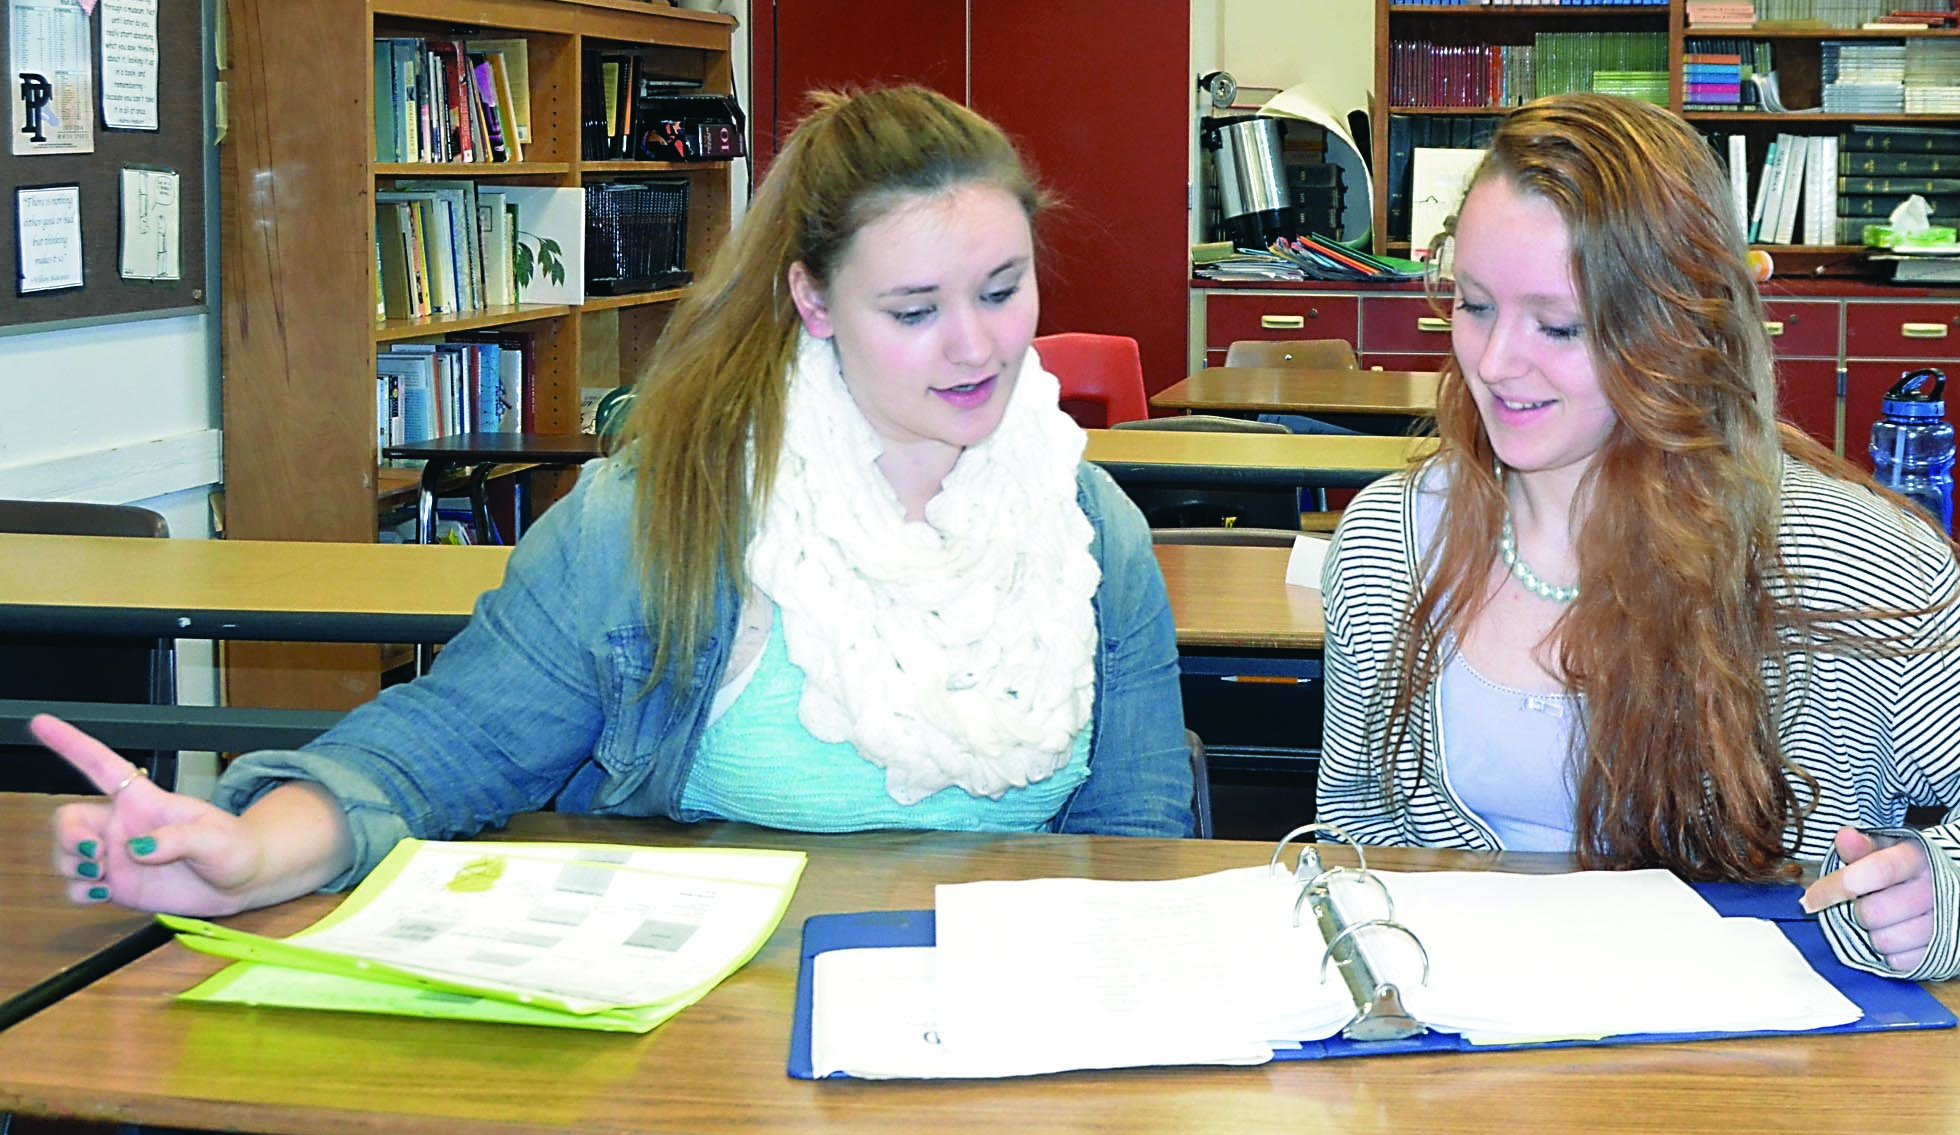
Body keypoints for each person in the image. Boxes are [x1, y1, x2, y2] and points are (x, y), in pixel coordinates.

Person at [39, 84, 1195, 924]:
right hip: (703, 1026)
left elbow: (1140, 841)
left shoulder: (1090, 534)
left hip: (999, 1015)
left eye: (1003, 289)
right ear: (812, 299)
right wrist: (246, 849)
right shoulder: (659, 517)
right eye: (912, 309)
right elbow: (446, 746)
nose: (976, 345)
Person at [1318, 92, 1960, 982]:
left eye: (1559, 326)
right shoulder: (1388, 545)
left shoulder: (1838, 558)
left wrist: (1957, 889)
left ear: (1674, 328)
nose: (1492, 362)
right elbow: (1358, 848)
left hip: (1753, 1083)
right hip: (1461, 1067)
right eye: (1474, 306)